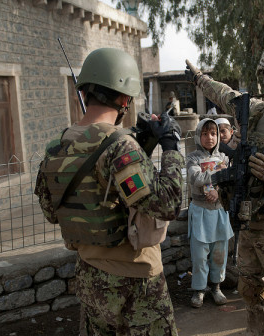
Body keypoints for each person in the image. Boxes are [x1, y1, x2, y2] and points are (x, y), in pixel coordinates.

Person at [34, 48, 183, 335]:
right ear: (125, 98)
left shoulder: (56, 148)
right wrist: (170, 146)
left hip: (90, 278)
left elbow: (52, 213)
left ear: (86, 91)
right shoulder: (120, 147)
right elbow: (167, 204)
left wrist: (145, 146)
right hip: (136, 283)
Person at [185, 42, 264, 336]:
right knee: (249, 288)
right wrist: (199, 78)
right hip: (248, 222)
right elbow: (223, 93)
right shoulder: (255, 111)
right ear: (263, 78)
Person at [186, 118, 234, 308]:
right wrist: (219, 174)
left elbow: (230, 180)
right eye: (205, 134)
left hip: (219, 211)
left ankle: (216, 287)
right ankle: (199, 290)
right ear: (199, 136)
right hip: (200, 211)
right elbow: (196, 177)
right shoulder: (192, 158)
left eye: (213, 133)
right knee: (199, 254)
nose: (210, 138)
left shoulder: (225, 157)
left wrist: (218, 191)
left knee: (219, 254)